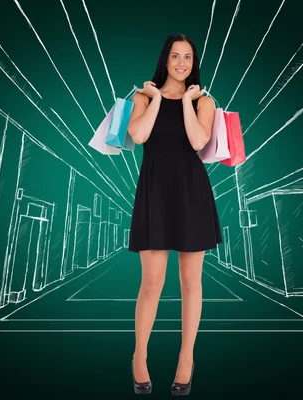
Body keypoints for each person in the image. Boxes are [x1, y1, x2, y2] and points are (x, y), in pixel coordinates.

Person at [126, 33, 223, 395]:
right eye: (175, 56)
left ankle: (187, 357)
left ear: (193, 62)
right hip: (154, 190)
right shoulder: (141, 97)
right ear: (164, 59)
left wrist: (186, 101)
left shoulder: (204, 102)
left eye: (187, 57)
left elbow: (198, 142)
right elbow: (138, 135)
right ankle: (139, 356)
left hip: (190, 190)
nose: (181, 62)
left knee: (190, 283)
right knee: (151, 282)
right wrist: (154, 98)